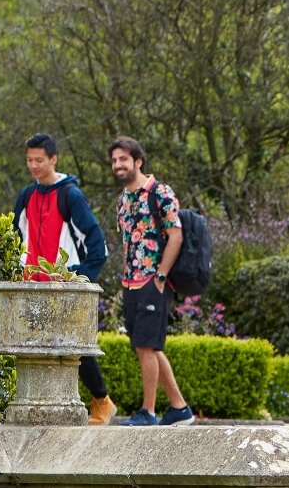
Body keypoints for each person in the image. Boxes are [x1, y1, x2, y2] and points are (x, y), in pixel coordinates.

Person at [10, 133, 116, 425]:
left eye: (39, 160)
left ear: (53, 159)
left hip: (63, 284)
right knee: (32, 348)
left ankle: (102, 402)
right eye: (29, 160)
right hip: (32, 284)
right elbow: (14, 237)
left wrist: (77, 279)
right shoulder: (26, 195)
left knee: (73, 346)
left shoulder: (71, 195)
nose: (33, 165)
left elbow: (98, 247)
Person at [108, 135, 195, 426]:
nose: (118, 165)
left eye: (123, 159)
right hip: (130, 282)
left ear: (138, 161)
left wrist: (159, 277)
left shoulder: (159, 192)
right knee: (147, 346)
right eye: (114, 160)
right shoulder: (122, 200)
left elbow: (176, 235)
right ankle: (179, 408)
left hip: (153, 281)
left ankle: (148, 412)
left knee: (146, 346)